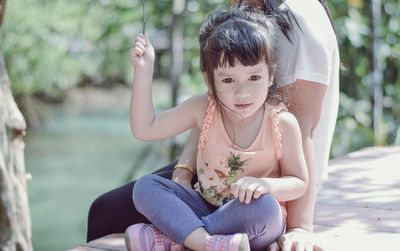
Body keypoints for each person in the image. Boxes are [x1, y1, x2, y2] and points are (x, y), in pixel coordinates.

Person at [87, 0, 339, 250]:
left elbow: (299, 178)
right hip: (206, 202)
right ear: (210, 81)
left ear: (270, 74)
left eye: (254, 77)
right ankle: (205, 243)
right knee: (146, 187)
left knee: (265, 209)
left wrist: (293, 219)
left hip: (251, 210)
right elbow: (145, 128)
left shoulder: (282, 122)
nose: (243, 93)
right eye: (228, 79)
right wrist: (144, 72)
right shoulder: (204, 107)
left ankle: (180, 237)